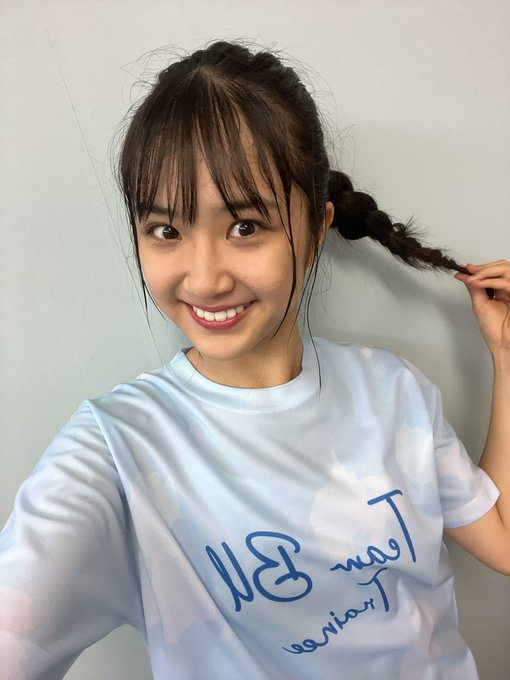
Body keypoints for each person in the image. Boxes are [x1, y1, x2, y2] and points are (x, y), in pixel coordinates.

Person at [1, 40, 509, 680]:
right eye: (166, 230)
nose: (205, 279)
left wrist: (506, 354)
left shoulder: (394, 391)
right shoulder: (116, 451)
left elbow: (502, 536)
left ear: (316, 230)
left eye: (244, 226)